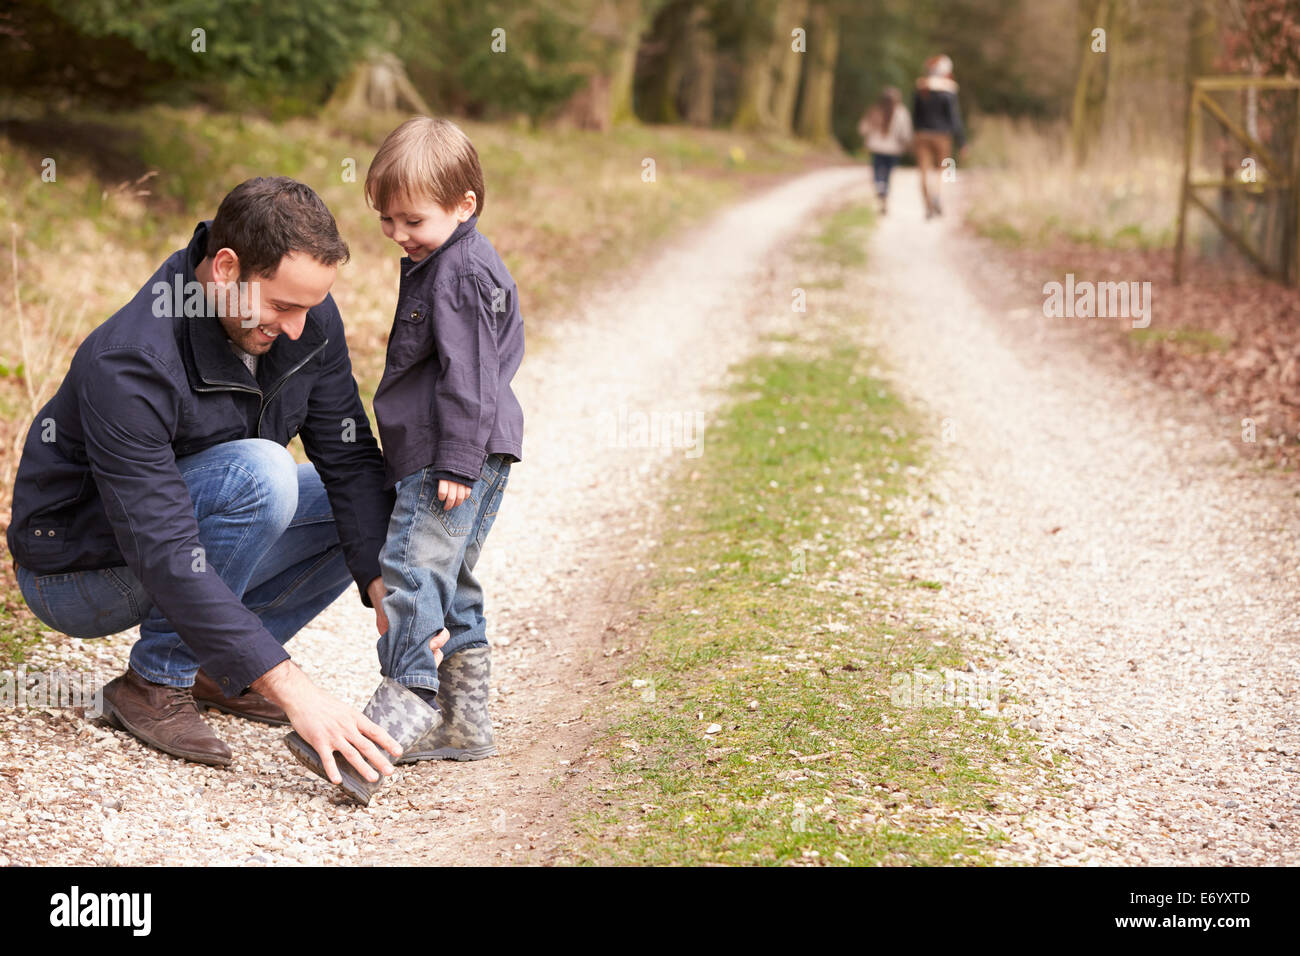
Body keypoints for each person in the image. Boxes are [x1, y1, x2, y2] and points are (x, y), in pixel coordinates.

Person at [6, 176, 447, 789]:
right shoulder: (131, 361)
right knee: (263, 475)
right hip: (80, 571)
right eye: (281, 307)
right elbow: (161, 546)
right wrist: (293, 687)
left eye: (309, 306)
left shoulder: (305, 318)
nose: (297, 327)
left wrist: (386, 589)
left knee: (366, 499)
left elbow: (347, 465)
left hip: (181, 525)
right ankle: (157, 681)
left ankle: (221, 671)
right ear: (225, 268)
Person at [286, 116, 524, 804]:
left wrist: (455, 460)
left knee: (412, 579)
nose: (396, 233)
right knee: (452, 579)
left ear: (465, 205)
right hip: (458, 450)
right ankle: (464, 721)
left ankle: (385, 733)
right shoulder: (445, 260)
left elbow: (472, 375)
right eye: (386, 220)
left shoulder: (460, 273)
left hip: (446, 453)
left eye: (411, 219)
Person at [911, 54, 966, 219]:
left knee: (924, 171)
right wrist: (962, 141)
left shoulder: (921, 88)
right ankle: (937, 195)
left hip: (922, 135)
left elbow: (915, 115)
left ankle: (928, 204)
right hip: (942, 136)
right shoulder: (949, 91)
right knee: (944, 170)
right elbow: (954, 118)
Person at [858, 87, 912, 215]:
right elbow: (905, 133)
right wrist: (906, 144)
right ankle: (884, 197)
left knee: (877, 171)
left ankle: (879, 187)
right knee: (888, 174)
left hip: (876, 148)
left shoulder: (875, 111)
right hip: (893, 150)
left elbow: (863, 129)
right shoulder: (902, 112)